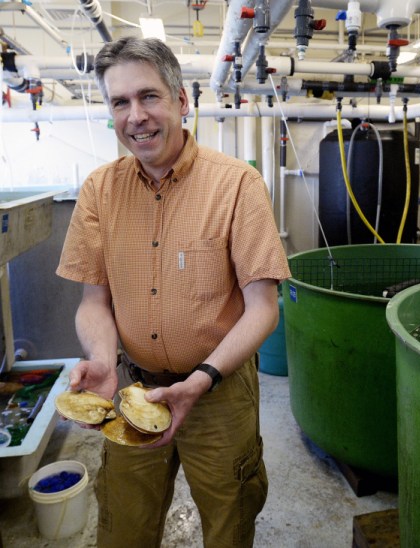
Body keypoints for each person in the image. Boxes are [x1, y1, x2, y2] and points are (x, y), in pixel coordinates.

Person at [56, 35, 290, 547]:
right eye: (120, 102)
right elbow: (93, 302)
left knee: (230, 520)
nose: (135, 116)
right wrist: (101, 357)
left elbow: (263, 309)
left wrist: (202, 378)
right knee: (124, 525)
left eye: (149, 97)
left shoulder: (236, 185)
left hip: (219, 395)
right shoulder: (99, 191)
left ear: (181, 101)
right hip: (135, 390)